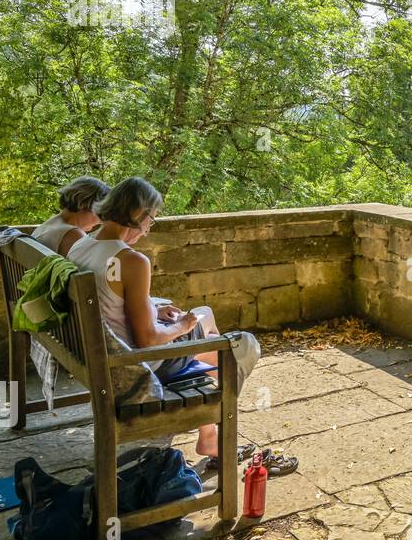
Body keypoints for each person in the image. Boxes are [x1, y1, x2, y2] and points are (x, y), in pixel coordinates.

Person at [67, 176, 295, 475]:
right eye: (151, 221)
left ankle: (210, 434)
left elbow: (113, 303)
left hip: (100, 356)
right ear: (139, 215)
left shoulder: (81, 246)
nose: (148, 230)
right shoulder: (130, 260)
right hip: (138, 363)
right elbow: (148, 339)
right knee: (242, 345)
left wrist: (154, 308)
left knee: (205, 315)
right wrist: (182, 326)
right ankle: (214, 429)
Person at [31, 176, 110, 256]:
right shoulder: (73, 234)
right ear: (85, 204)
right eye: (100, 212)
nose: (100, 220)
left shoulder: (51, 224)